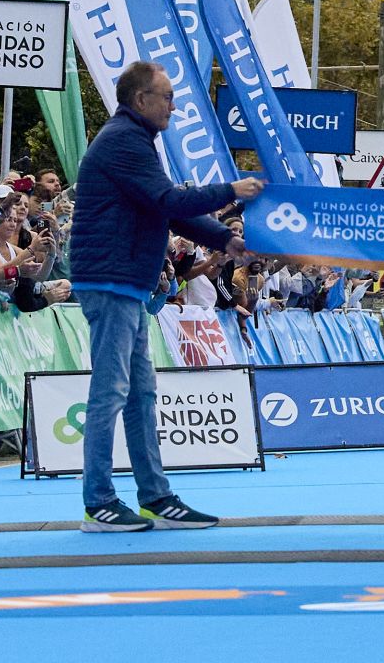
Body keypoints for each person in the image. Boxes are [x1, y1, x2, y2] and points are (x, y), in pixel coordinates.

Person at [72, 61, 264, 534]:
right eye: (168, 97)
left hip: (126, 283)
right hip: (112, 281)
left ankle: (155, 496)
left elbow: (166, 211)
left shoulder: (134, 140)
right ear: (141, 100)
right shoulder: (124, 141)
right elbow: (169, 202)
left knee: (139, 395)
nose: (174, 107)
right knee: (112, 391)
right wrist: (228, 191)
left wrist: (224, 239)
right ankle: (98, 502)